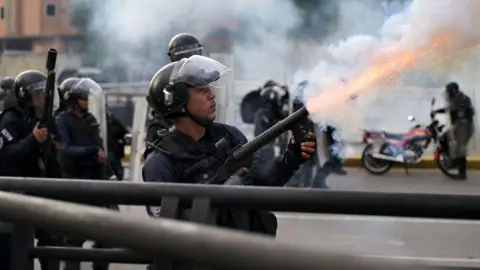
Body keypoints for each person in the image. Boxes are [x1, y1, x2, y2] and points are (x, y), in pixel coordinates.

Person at [143, 56, 316, 236]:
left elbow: (263, 178)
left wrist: (291, 157)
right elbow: (168, 230)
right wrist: (224, 186)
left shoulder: (228, 136)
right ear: (178, 101)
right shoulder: (160, 162)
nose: (212, 95)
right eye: (202, 90)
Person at [0, 70, 62, 270]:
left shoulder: (41, 117)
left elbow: (50, 156)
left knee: (52, 241)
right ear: (24, 95)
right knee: (14, 248)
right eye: (38, 93)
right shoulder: (11, 118)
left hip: (39, 188)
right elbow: (8, 155)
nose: (42, 97)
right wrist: (33, 140)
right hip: (15, 192)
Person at [55, 78, 111, 270]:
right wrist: (92, 151)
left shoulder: (90, 119)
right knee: (74, 239)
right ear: (72, 99)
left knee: (108, 234)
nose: (87, 101)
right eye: (82, 97)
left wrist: (106, 165)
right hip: (75, 182)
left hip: (96, 181)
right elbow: (65, 151)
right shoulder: (62, 121)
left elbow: (100, 144)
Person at [144, 33, 204, 155]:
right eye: (185, 54)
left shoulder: (203, 77)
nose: (190, 58)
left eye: (194, 53)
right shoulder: (167, 81)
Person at [432, 82, 475, 180]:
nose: (447, 93)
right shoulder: (458, 98)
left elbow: (458, 111)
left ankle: (461, 171)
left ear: (452, 90)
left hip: (463, 126)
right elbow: (449, 108)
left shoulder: (460, 98)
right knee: (451, 143)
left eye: (448, 91)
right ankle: (454, 161)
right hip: (460, 126)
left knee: (460, 150)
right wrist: (437, 111)